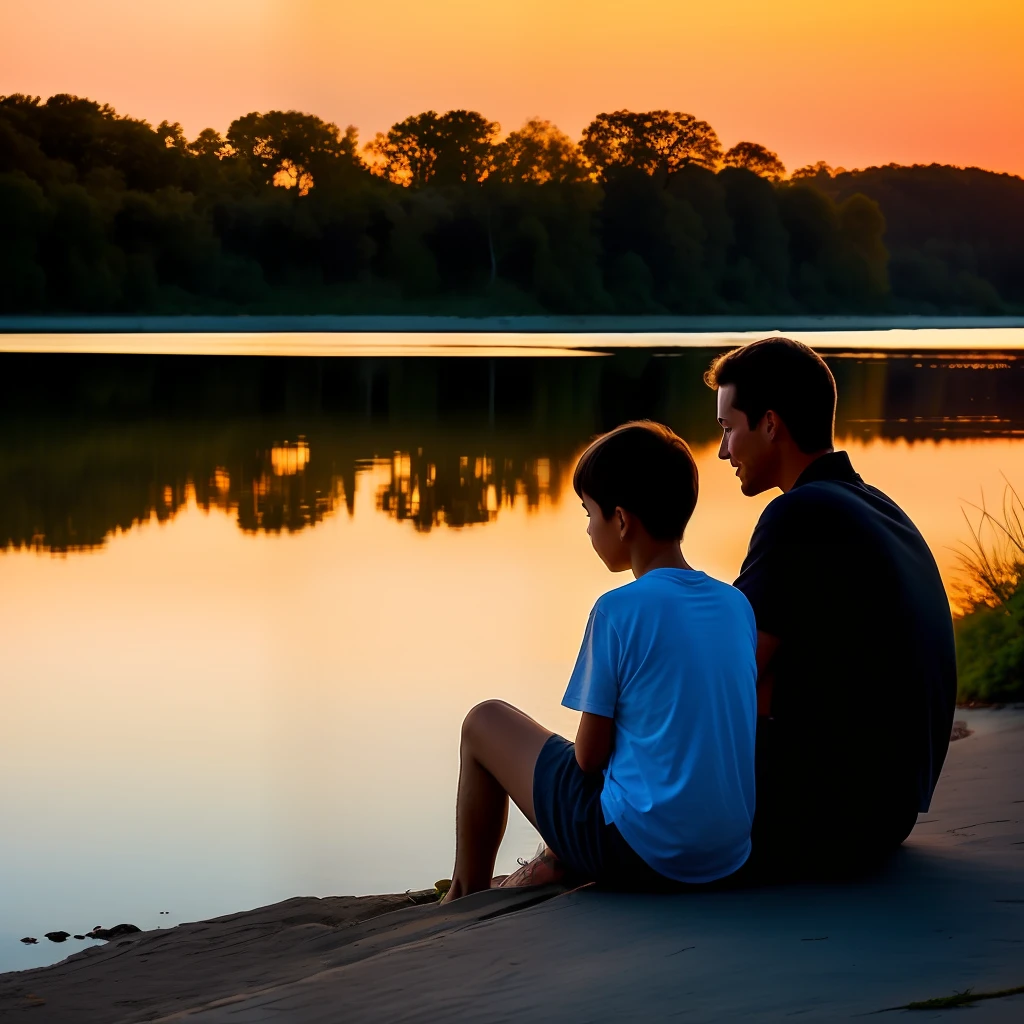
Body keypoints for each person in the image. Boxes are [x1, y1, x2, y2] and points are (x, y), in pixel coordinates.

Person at [440, 422, 757, 901]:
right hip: (726, 854)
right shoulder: (736, 605)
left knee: (483, 722)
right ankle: (547, 861)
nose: (588, 528)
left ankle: (464, 893)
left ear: (623, 521)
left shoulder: (618, 610)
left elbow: (588, 759)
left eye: (588, 513)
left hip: (636, 853)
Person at [706, 337, 957, 878]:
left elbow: (727, 670)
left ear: (771, 424)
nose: (724, 450)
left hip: (825, 821)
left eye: (728, 429)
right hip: (886, 813)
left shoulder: (800, 516)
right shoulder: (874, 506)